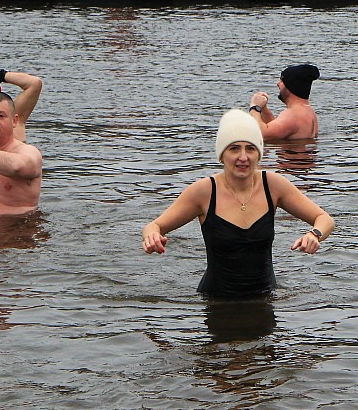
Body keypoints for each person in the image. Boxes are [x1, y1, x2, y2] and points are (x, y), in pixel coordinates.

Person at [141, 110, 334, 298]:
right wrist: (152, 236)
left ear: (258, 154)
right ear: (222, 154)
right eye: (234, 148)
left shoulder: (273, 185)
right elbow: (154, 226)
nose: (243, 157)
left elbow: (324, 219)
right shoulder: (205, 191)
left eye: (250, 148)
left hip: (264, 298)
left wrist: (314, 234)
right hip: (216, 301)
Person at [248, 64, 320, 141]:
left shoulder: (293, 115)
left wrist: (255, 107)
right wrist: (263, 109)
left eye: (282, 80)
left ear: (291, 85)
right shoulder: (308, 111)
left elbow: (262, 134)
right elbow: (276, 130)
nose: (278, 84)